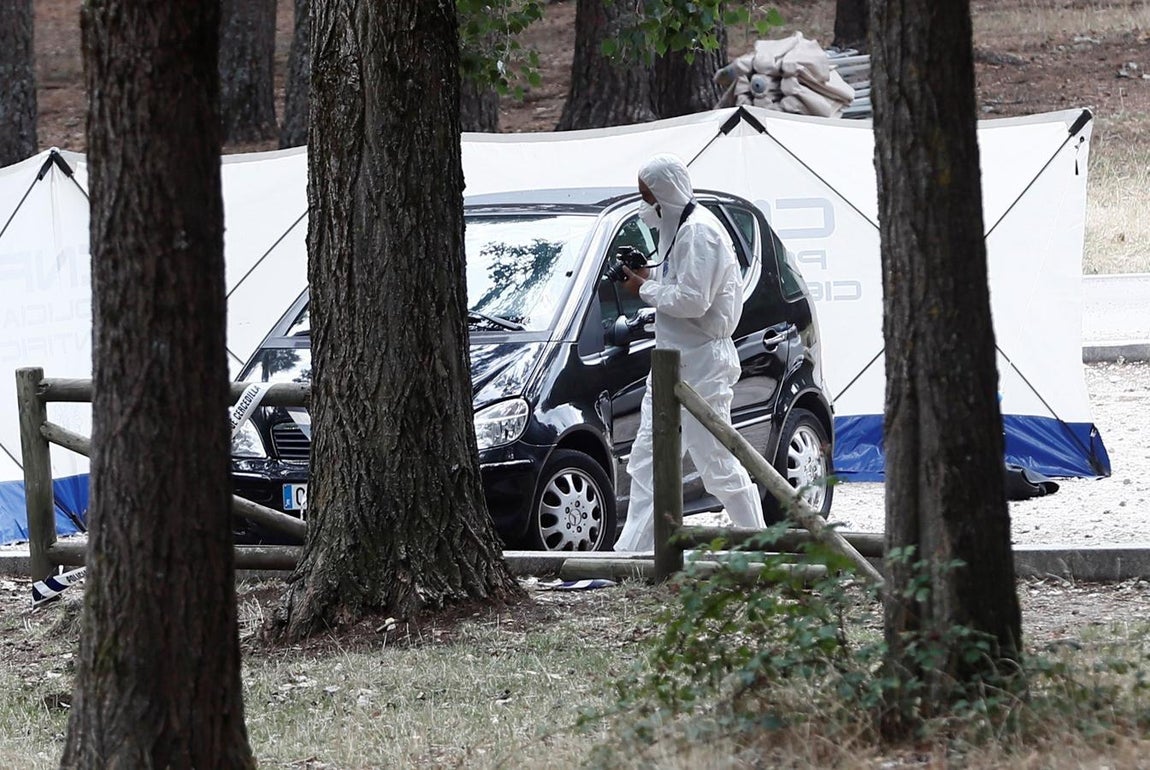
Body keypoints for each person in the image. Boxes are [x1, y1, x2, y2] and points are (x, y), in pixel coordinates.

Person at [613, 153, 766, 552]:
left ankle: (760, 544)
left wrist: (642, 289)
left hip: (700, 365)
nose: (645, 206)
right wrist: (649, 279)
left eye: (648, 197)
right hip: (670, 364)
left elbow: (693, 301)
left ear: (665, 194)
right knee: (647, 459)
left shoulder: (700, 233)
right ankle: (633, 553)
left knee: (716, 464)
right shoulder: (678, 230)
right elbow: (678, 291)